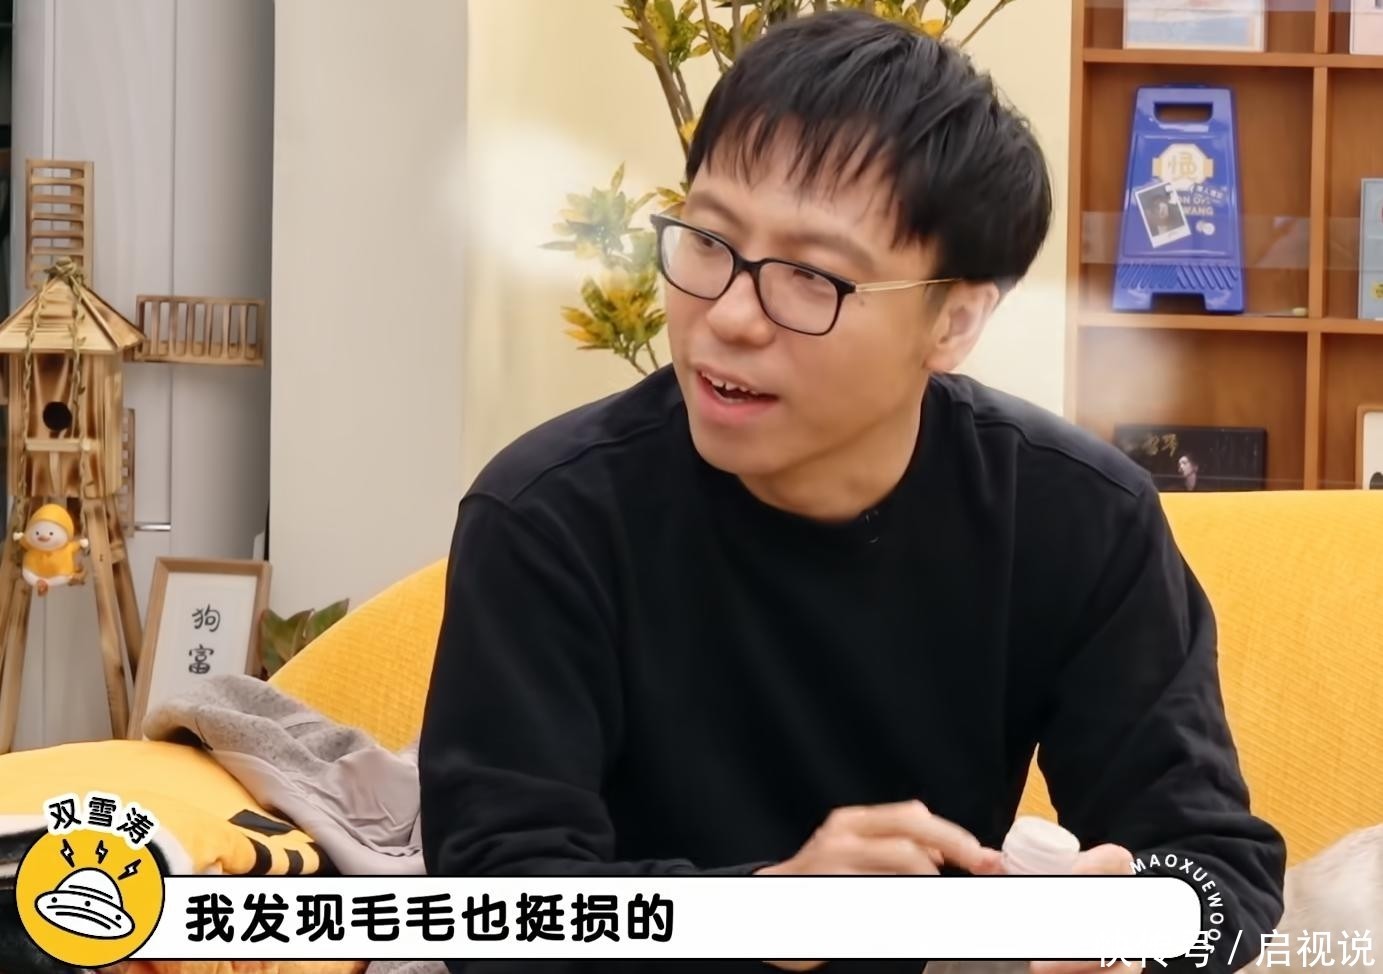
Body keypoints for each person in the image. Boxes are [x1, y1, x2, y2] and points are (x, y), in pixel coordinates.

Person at [419, 10, 1285, 973]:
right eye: (706, 240)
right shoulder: (549, 515)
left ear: (953, 321)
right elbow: (492, 904)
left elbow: (1218, 865)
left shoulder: (1077, 517)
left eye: (810, 275)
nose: (729, 317)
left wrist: (1144, 926)